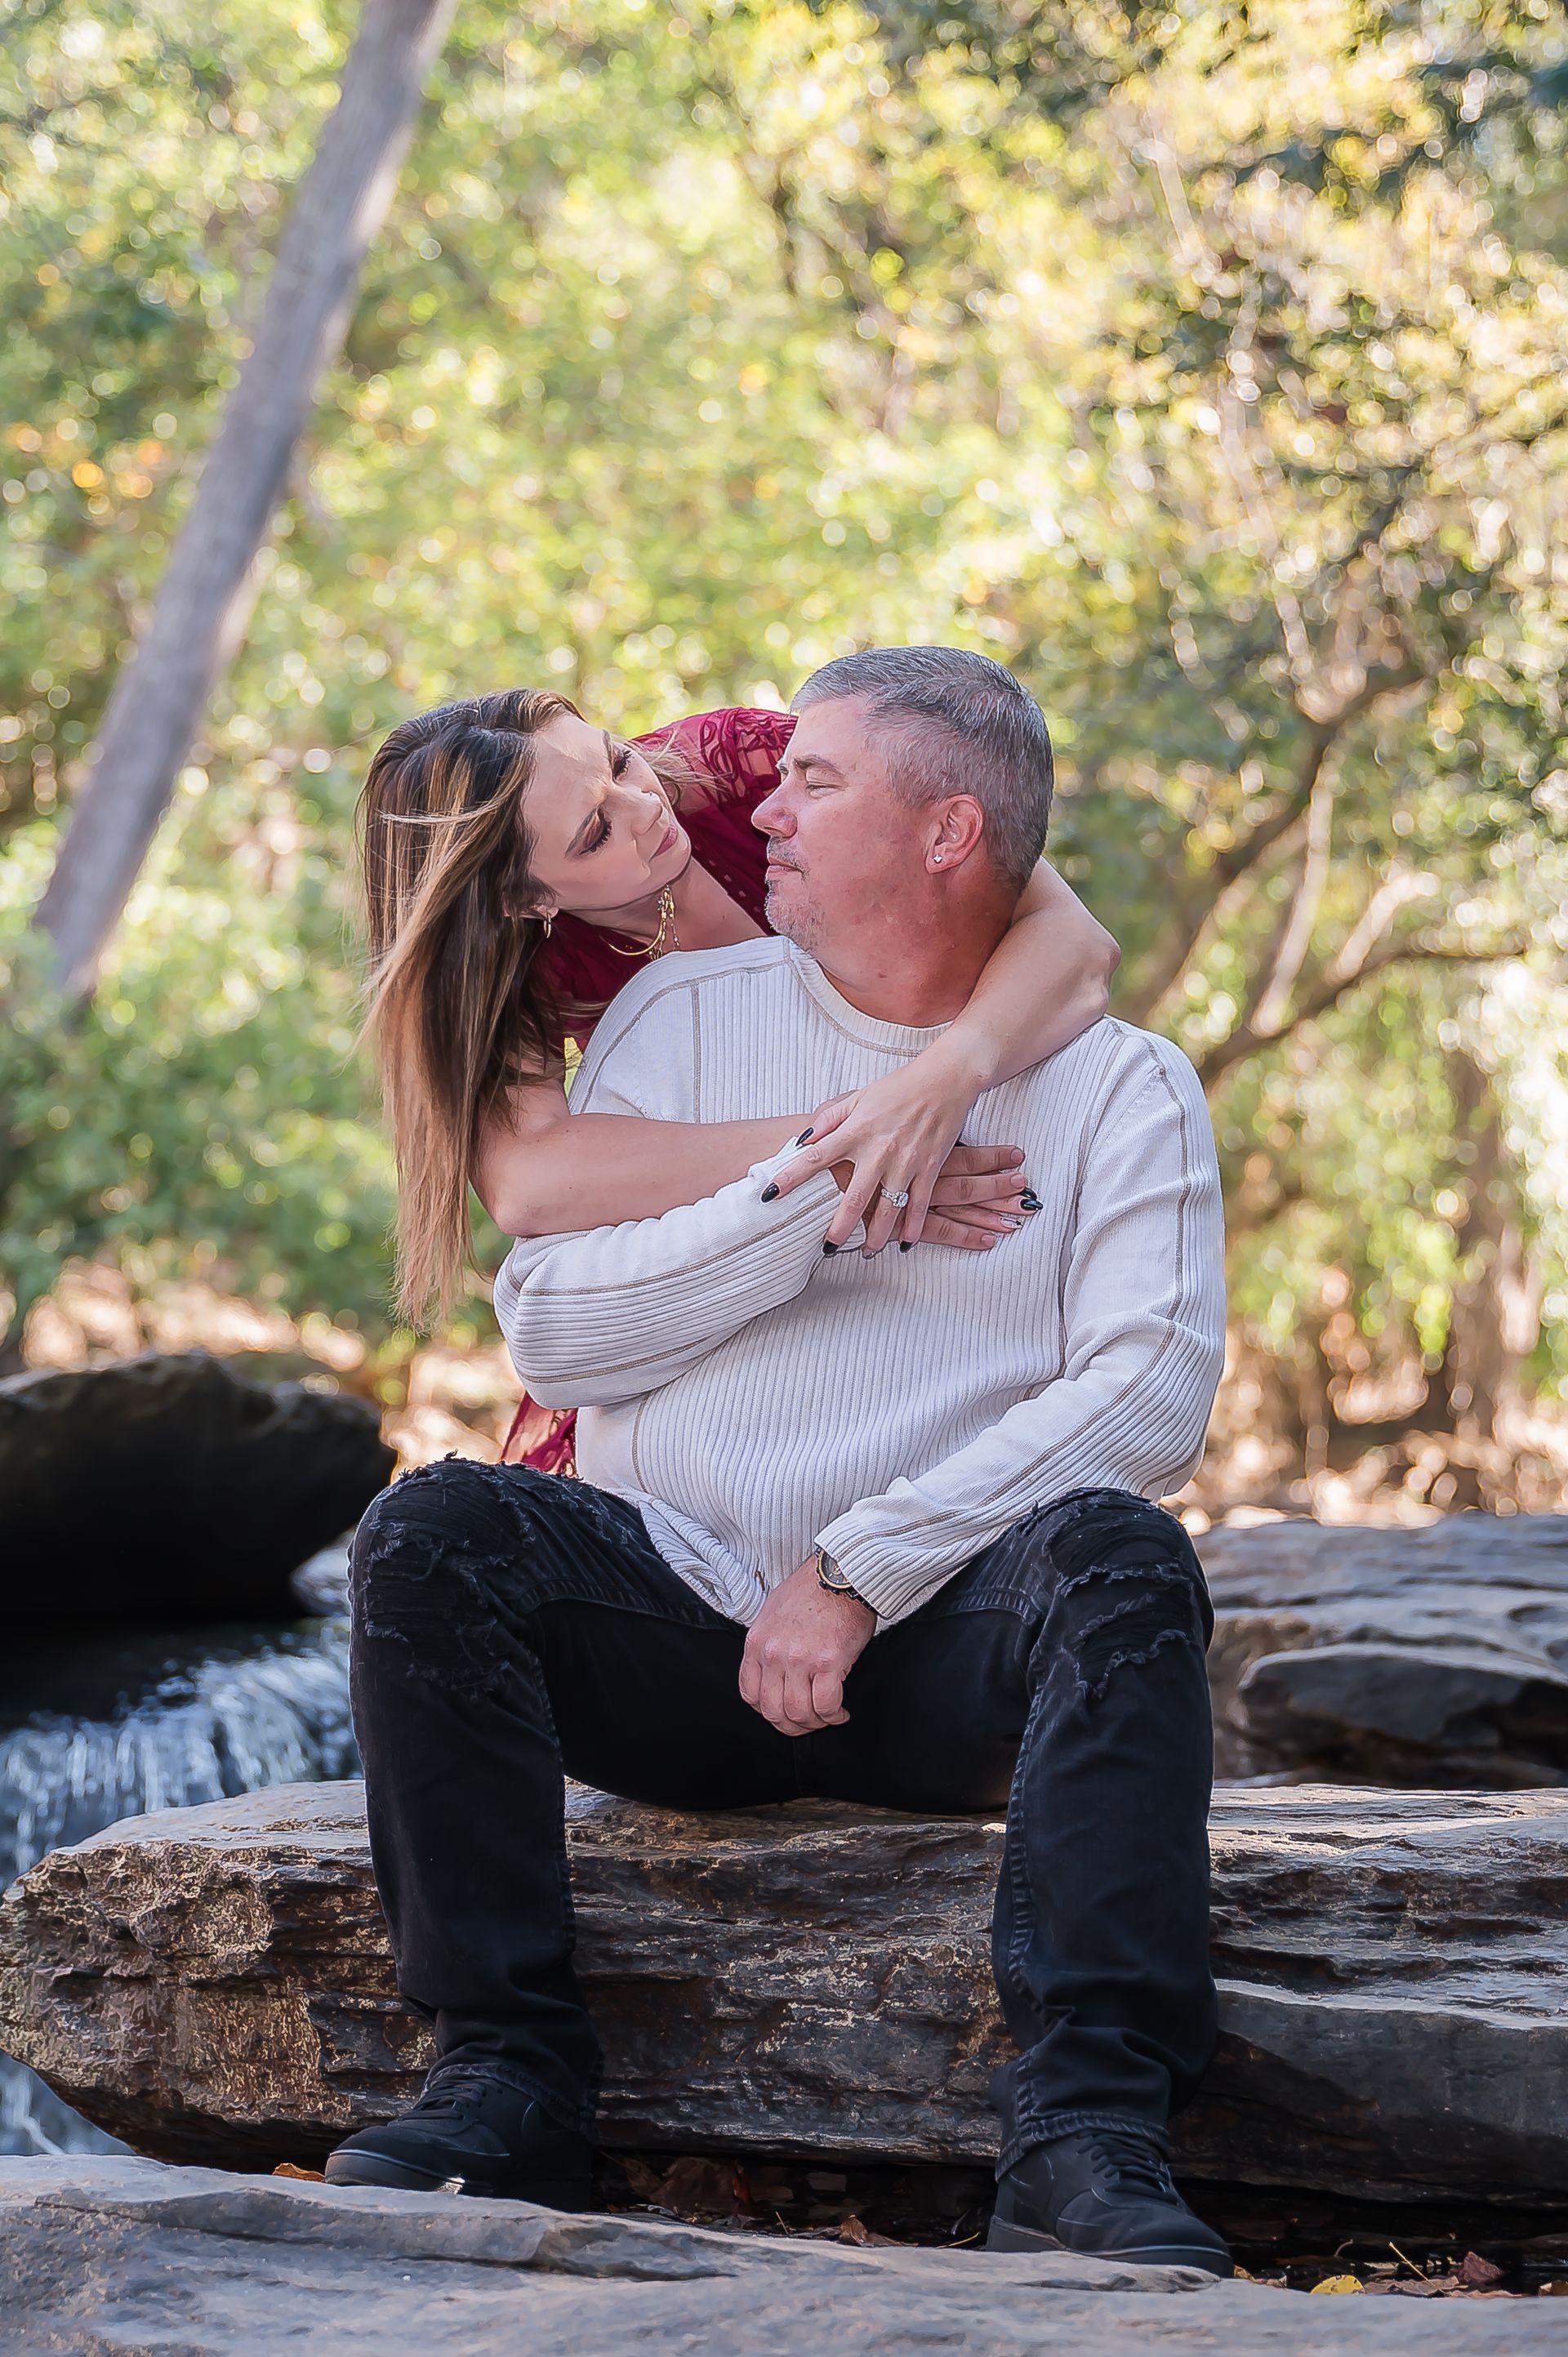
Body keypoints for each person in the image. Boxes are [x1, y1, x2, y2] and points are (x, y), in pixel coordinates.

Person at [330, 648, 1232, 2275]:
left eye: (813, 788)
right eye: (599, 825)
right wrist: (831, 1188)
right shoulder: (666, 1014)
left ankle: (1088, 2134)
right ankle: (506, 2079)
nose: (743, 812)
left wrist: (865, 1566)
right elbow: (558, 1335)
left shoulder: (1121, 1083)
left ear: (946, 835)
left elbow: (1151, 1396)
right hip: (677, 1626)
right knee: (436, 1534)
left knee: (1121, 1555)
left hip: (945, 1651)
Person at [357, 686, 1120, 1471]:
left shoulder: (749, 767)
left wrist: (931, 1090)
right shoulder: (512, 968)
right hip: (740, 1241)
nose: (644, 805)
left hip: (956, 1149)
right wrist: (838, 1150)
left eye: (618, 760)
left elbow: (1075, 944)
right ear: (523, 898)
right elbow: (529, 1182)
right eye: (595, 833)